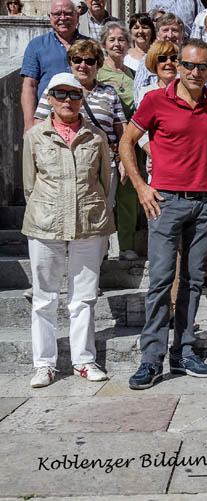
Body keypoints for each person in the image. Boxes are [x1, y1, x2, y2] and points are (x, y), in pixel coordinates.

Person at [120, 39, 207, 389]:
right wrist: (141, 186)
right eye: (189, 66)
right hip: (164, 201)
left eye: (202, 67)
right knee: (160, 282)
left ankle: (183, 351)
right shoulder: (156, 100)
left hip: (204, 203)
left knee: (194, 280)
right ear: (178, 67)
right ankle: (151, 359)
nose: (195, 72)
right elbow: (126, 142)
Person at [23, 72, 114, 388]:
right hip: (45, 223)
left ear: (82, 98)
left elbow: (104, 182)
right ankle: (44, 364)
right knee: (45, 297)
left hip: (89, 223)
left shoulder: (96, 137)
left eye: (74, 94)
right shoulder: (35, 136)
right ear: (48, 98)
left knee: (84, 296)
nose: (67, 100)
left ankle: (84, 360)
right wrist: (46, 208)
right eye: (60, 94)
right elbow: (29, 184)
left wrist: (95, 209)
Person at [34, 40, 128, 226]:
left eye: (89, 61)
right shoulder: (54, 90)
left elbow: (121, 130)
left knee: (99, 215)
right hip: (60, 163)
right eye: (77, 60)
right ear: (70, 62)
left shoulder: (109, 92)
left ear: (98, 64)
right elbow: (38, 127)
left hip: (103, 163)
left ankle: (99, 255)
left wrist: (124, 160)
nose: (83, 65)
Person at [97, 22, 139, 260]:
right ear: (104, 44)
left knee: (128, 195)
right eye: (112, 40)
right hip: (108, 145)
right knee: (104, 196)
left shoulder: (133, 74)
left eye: (121, 39)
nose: (117, 44)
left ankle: (126, 244)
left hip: (132, 143)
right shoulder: (99, 72)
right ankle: (100, 248)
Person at [20, 0, 88, 132]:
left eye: (68, 13)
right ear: (50, 17)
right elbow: (30, 85)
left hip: (84, 120)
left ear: (77, 16)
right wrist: (29, 124)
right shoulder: (36, 45)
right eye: (57, 14)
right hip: (46, 121)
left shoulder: (89, 45)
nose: (62, 18)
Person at [132, 13, 185, 106]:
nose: (170, 35)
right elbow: (138, 96)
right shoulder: (148, 59)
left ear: (182, 35)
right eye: (165, 30)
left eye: (175, 30)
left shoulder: (189, 59)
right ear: (157, 35)